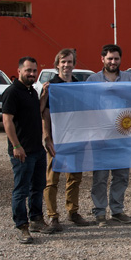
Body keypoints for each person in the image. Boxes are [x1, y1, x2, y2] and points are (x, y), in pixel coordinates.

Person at [2, 57, 53, 244]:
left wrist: (44, 96)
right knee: (21, 190)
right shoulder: (12, 92)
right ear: (19, 71)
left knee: (37, 187)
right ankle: (22, 226)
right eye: (28, 70)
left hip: (37, 150)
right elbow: (7, 121)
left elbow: (36, 112)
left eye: (34, 71)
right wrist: (16, 146)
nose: (31, 74)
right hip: (22, 151)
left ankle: (36, 220)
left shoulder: (31, 91)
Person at [40, 48, 90, 232]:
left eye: (69, 62)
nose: (66, 65)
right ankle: (53, 216)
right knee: (52, 179)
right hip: (57, 139)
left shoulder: (78, 86)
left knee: (75, 177)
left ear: (74, 64)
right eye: (63, 62)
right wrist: (47, 136)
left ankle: (73, 211)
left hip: (76, 138)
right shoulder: (51, 86)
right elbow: (43, 112)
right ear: (57, 65)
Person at [86, 44, 131, 226]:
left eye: (116, 58)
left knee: (121, 176)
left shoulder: (129, 79)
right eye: (109, 59)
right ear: (102, 59)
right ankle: (100, 212)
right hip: (101, 138)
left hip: (123, 136)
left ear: (120, 59)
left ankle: (117, 210)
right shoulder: (92, 80)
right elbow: (86, 106)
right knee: (100, 177)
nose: (113, 62)